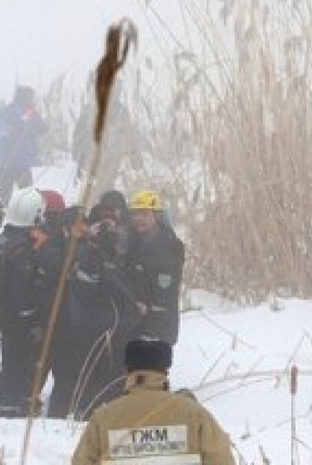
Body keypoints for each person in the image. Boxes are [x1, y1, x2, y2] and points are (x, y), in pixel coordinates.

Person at [71, 339, 235, 464]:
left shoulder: (103, 418)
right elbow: (222, 460)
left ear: (128, 370)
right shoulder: (195, 415)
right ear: (166, 371)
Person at [52, 203, 139, 419]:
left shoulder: (119, 254)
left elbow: (124, 292)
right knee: (89, 386)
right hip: (90, 334)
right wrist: (94, 251)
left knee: (115, 384)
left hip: (117, 333)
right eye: (100, 225)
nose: (107, 229)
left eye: (111, 225)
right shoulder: (83, 254)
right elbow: (85, 289)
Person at [0, 188, 62, 418]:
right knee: (19, 369)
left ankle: (10, 407)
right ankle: (15, 412)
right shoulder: (22, 249)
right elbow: (21, 292)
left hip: (5, 317)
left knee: (10, 367)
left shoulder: (4, 239)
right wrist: (35, 321)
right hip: (19, 324)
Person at [124, 190, 186, 347]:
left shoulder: (169, 246)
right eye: (135, 214)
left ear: (156, 216)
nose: (139, 219)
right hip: (132, 326)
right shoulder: (130, 243)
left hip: (156, 330)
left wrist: (149, 309)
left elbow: (166, 288)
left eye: (144, 214)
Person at [0, 85, 48, 203]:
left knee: (2, 198)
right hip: (21, 162)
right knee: (27, 198)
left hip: (3, 162)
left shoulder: (2, 111)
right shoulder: (28, 111)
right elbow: (42, 128)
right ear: (27, 98)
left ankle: (0, 219)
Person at [73, 92, 134, 194]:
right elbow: (80, 133)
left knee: (107, 185)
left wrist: (131, 155)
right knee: (90, 184)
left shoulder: (121, 111)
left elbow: (128, 134)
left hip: (112, 156)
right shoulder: (90, 109)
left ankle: (103, 201)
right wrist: (79, 153)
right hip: (92, 154)